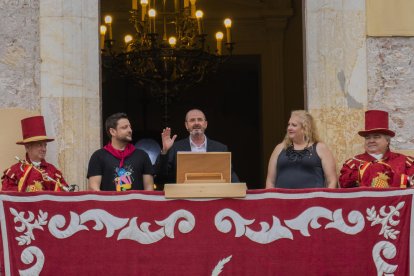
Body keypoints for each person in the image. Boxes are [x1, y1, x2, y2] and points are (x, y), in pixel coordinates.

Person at [154, 108, 240, 184]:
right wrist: (165, 151)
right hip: (184, 198)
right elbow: (160, 177)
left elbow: (229, 175)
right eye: (192, 120)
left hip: (212, 197)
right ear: (186, 125)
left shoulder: (220, 148)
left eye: (199, 119)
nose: (196, 123)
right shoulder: (174, 148)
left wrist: (242, 189)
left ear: (205, 124)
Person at [339, 110, 414, 188]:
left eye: (376, 137)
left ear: (387, 141)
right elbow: (345, 187)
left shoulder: (405, 162)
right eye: (367, 138)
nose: (371, 141)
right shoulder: (353, 164)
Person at [265, 110, 337, 189]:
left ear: (305, 128)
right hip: (282, 200)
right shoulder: (279, 148)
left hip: (313, 200)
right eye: (289, 124)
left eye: (294, 125)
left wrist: (325, 201)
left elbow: (332, 181)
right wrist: (271, 200)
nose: (289, 128)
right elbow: (270, 181)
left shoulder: (320, 148)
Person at [87, 113, 154, 191]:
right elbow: (93, 188)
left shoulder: (142, 155)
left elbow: (149, 188)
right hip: (109, 203)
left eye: (130, 127)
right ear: (112, 131)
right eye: (124, 127)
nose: (130, 130)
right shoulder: (98, 156)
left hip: (135, 203)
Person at [1, 115, 69, 192]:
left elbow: (64, 195)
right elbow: (8, 197)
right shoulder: (15, 171)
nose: (44, 149)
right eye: (40, 145)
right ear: (27, 147)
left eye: (45, 145)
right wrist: (28, 190)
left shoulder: (52, 170)